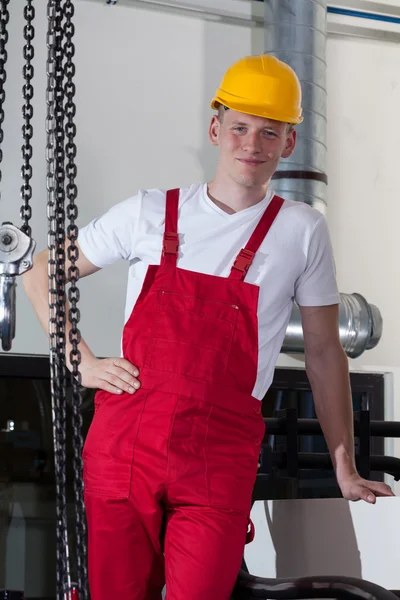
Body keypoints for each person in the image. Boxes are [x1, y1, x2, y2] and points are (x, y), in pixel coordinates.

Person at [23, 54, 394, 600]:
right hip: (128, 442)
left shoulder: (302, 231)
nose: (252, 144)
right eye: (240, 128)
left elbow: (323, 354)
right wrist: (84, 363)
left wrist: (344, 464)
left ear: (288, 144)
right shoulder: (149, 212)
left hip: (219, 452)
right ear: (216, 128)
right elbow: (40, 275)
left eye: (270, 133)